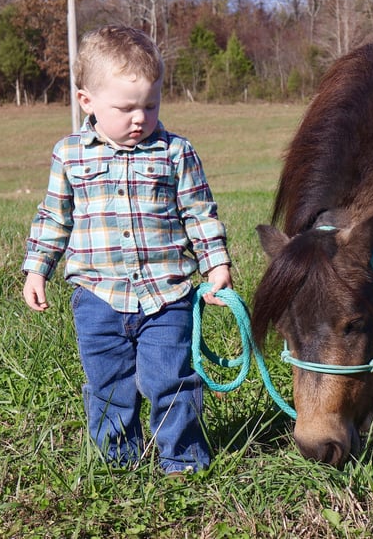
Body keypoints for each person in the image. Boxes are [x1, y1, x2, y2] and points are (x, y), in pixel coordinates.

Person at [21, 24, 232, 475]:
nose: (140, 118)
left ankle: (182, 461)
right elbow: (55, 217)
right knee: (109, 383)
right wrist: (37, 269)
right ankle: (119, 464)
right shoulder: (70, 155)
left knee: (172, 379)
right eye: (125, 108)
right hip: (97, 297)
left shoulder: (175, 152)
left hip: (167, 294)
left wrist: (216, 265)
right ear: (87, 102)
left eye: (150, 106)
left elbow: (199, 213)